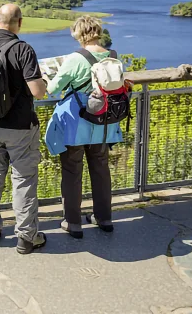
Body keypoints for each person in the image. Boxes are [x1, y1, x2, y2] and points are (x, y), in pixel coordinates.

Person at [0, 3, 48, 254]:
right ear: (19, 22)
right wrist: (44, 82)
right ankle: (27, 237)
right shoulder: (23, 49)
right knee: (23, 180)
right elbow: (37, 91)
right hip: (19, 126)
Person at [44, 16, 123, 239]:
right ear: (98, 32)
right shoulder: (114, 57)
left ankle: (73, 222)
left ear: (78, 34)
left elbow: (53, 88)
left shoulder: (75, 59)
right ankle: (104, 218)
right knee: (100, 168)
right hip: (104, 123)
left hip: (76, 123)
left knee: (72, 172)